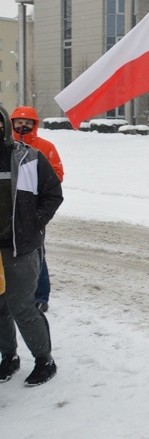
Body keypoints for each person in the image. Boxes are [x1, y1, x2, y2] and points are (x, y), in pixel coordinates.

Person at [0, 106, 64, 386]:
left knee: (22, 306)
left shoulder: (29, 157)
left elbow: (53, 194)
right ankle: (9, 356)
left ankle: (44, 359)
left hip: (21, 246)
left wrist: (35, 222)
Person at [11, 106, 64, 313]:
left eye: (27, 123)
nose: (23, 126)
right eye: (19, 122)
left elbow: (57, 175)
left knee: (36, 253)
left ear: (34, 125)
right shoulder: (7, 146)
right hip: (10, 210)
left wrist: (38, 180)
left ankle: (41, 295)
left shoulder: (44, 147)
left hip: (33, 210)